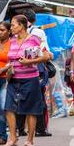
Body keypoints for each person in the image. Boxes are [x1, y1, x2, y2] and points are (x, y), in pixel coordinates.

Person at [2, 15, 49, 146]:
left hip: (30, 79)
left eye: (13, 25)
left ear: (21, 26)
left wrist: (30, 62)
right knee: (9, 107)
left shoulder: (35, 39)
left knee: (30, 110)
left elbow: (46, 56)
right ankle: (12, 138)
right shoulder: (12, 41)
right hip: (13, 79)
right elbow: (10, 59)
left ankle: (29, 140)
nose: (11, 28)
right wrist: (4, 69)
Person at [19, 9, 53, 137]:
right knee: (39, 99)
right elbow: (46, 52)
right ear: (34, 20)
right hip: (37, 69)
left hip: (21, 67)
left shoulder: (17, 34)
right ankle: (40, 128)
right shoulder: (39, 32)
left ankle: (20, 129)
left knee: (21, 98)